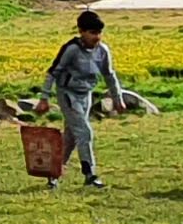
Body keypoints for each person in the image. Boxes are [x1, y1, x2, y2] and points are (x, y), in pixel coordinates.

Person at [43, 10, 128, 189]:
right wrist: (44, 98)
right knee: (85, 132)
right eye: (92, 33)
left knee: (72, 137)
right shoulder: (71, 49)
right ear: (81, 31)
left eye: (98, 33)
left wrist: (117, 98)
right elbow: (53, 72)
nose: (96, 37)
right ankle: (90, 174)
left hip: (86, 95)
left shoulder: (103, 51)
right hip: (68, 94)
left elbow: (109, 75)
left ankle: (54, 173)